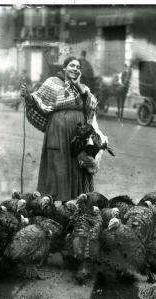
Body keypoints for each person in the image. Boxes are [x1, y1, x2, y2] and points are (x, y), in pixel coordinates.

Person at [20, 56, 108, 201]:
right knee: (58, 166)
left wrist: (78, 85)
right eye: (72, 65)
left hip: (78, 134)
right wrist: (27, 96)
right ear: (64, 68)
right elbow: (38, 101)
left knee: (77, 165)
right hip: (58, 131)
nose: (75, 69)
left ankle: (73, 202)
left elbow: (91, 105)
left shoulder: (83, 87)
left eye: (78, 67)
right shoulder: (51, 83)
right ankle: (51, 202)